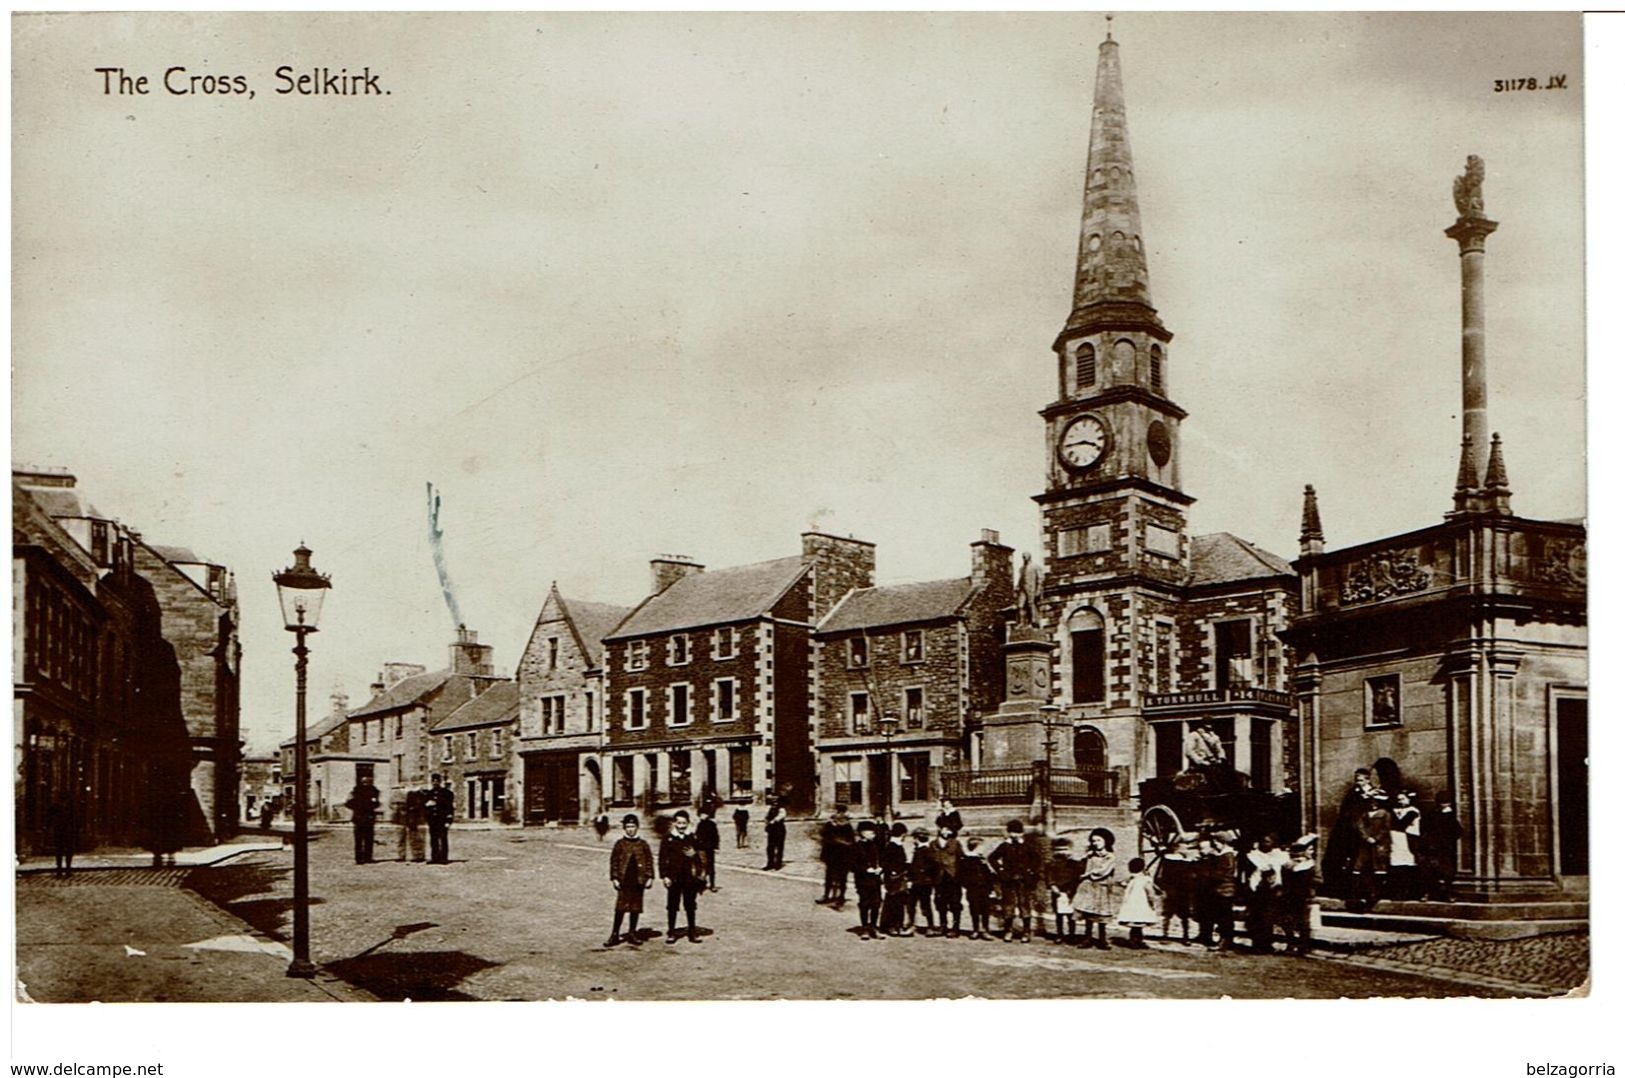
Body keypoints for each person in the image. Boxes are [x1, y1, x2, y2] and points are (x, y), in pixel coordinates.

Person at [607, 814, 656, 947]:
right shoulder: (620, 844)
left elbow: (649, 862)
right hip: (624, 880)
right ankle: (615, 934)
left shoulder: (643, 844)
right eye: (628, 827)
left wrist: (650, 877)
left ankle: (632, 933)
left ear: (637, 827)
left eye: (633, 826)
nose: (630, 829)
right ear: (624, 828)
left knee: (635, 907)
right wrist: (615, 878)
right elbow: (614, 862)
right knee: (620, 908)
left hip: (638, 880)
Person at [659, 810, 705, 944]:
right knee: (672, 905)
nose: (681, 826)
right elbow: (662, 859)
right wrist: (665, 876)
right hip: (673, 877)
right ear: (674, 823)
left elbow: (700, 857)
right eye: (679, 823)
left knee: (690, 904)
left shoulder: (692, 837)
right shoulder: (668, 838)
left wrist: (694, 853)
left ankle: (692, 932)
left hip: (689, 877)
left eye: (684, 823)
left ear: (688, 823)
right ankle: (671, 932)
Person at [990, 819, 1038, 942]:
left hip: (1023, 881)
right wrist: (1000, 871)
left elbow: (1037, 860)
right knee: (1008, 906)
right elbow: (992, 858)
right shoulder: (1005, 846)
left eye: (1017, 832)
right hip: (1008, 880)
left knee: (1024, 905)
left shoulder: (1027, 846)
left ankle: (1026, 932)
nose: (1014, 835)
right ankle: (1008, 931)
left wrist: (1030, 872)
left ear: (1021, 833)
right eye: (1012, 832)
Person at [1243, 834, 1290, 953]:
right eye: (1263, 842)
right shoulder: (1253, 856)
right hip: (1257, 890)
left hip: (1274, 890)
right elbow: (1248, 874)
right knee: (1256, 918)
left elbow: (1286, 873)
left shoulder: (1280, 856)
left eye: (1268, 842)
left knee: (1268, 919)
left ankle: (1266, 944)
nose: (1265, 844)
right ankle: (1257, 944)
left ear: (1273, 843)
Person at [1074, 828, 1118, 949]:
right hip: (1089, 888)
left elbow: (1103, 871)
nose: (1095, 843)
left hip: (1102, 887)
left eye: (1098, 840)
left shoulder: (1110, 857)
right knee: (1089, 913)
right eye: (1093, 841)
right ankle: (1087, 938)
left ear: (1106, 842)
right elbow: (1081, 866)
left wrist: (1088, 874)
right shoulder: (1091, 856)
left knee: (1101, 914)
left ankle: (1102, 939)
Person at [1349, 794, 1393, 912]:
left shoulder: (1384, 814)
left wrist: (1376, 838)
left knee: (1378, 866)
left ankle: (1376, 894)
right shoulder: (1364, 814)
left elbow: (1386, 829)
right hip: (1366, 844)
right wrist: (1366, 837)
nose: (1373, 805)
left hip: (1379, 845)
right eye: (1371, 802)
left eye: (1375, 803)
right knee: (1360, 866)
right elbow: (1360, 826)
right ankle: (1360, 895)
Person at [1200, 832, 1239, 952]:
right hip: (1222, 889)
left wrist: (1206, 872)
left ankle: (1225, 942)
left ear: (1222, 842)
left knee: (1224, 917)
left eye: (1216, 842)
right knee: (1223, 916)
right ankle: (1226, 941)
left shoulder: (1227, 856)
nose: (1214, 844)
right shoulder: (1224, 855)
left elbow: (1220, 874)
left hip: (1223, 889)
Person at [1280, 835, 1318, 956]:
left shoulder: (1312, 866)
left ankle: (1304, 946)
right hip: (1289, 896)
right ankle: (1290, 943)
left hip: (1305, 896)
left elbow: (1319, 880)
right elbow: (1284, 881)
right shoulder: (1287, 866)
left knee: (1304, 922)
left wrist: (1310, 884)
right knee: (1288, 921)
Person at [1421, 796, 1463, 901]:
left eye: (1446, 803)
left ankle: (1448, 894)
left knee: (1447, 872)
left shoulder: (1450, 816)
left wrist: (1448, 840)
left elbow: (1458, 831)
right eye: (1442, 803)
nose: (1444, 805)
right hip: (1432, 847)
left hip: (1445, 848)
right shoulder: (1432, 814)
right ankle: (1429, 893)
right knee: (1430, 871)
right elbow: (1424, 828)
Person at [927, 825, 964, 938]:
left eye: (949, 830)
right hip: (939, 877)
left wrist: (959, 875)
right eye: (945, 829)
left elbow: (961, 859)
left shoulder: (955, 843)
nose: (947, 832)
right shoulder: (933, 844)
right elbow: (930, 861)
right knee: (940, 902)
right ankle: (943, 925)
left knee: (955, 903)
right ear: (940, 829)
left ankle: (955, 927)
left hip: (953, 877)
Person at [1158, 836, 1196, 944]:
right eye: (1185, 846)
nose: (1187, 848)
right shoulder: (1173, 860)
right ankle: (1183, 936)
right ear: (1177, 848)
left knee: (1172, 914)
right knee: (1177, 914)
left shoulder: (1168, 860)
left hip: (1178, 891)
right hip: (1178, 891)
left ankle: (1167, 935)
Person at [851, 820, 885, 940]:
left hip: (875, 879)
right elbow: (853, 865)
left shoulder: (874, 845)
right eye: (871, 832)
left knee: (876, 903)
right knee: (865, 903)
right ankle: (865, 927)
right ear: (863, 833)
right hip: (862, 880)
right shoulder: (855, 847)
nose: (873, 834)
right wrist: (866, 869)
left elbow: (880, 859)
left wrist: (880, 868)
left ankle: (874, 927)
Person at [959, 837, 997, 941]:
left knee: (985, 909)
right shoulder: (966, 860)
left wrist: (991, 887)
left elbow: (988, 875)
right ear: (976, 847)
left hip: (984, 888)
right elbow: (962, 875)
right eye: (981, 847)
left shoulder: (982, 860)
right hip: (973, 889)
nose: (983, 849)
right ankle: (975, 929)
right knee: (974, 909)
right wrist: (968, 885)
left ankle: (985, 929)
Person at [818, 803, 855, 907]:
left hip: (843, 854)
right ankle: (826, 895)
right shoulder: (829, 824)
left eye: (836, 811)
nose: (834, 813)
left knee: (842, 876)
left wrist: (841, 842)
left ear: (841, 812)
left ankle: (841, 897)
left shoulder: (847, 825)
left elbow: (851, 840)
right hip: (831, 853)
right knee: (829, 875)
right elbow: (824, 836)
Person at [1117, 856, 1157, 949]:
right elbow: (1150, 893)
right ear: (1143, 868)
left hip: (1132, 905)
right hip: (1141, 906)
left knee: (1135, 926)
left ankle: (1135, 940)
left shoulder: (1132, 880)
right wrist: (1152, 903)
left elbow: (1123, 884)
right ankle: (1135, 941)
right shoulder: (1145, 880)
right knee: (1138, 926)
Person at [880, 822, 913, 936]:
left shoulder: (895, 845)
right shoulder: (892, 846)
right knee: (894, 901)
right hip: (893, 878)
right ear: (902, 834)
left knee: (896, 901)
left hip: (897, 877)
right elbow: (886, 862)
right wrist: (894, 871)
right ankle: (891, 925)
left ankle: (894, 924)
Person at [1388, 791, 1422, 900]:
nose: (1400, 801)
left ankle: (1409, 892)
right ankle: (1397, 892)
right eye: (1399, 799)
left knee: (1408, 865)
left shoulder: (1413, 811)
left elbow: (1400, 824)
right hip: (1396, 840)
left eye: (1403, 799)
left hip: (1409, 839)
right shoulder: (1396, 810)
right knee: (1397, 866)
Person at [1047, 836, 1081, 945]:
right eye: (1058, 850)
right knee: (1059, 915)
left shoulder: (1075, 864)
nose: (1062, 852)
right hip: (1057, 892)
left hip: (1070, 892)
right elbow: (1048, 876)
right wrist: (1052, 885)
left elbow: (1077, 877)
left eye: (1065, 849)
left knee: (1071, 915)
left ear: (1070, 850)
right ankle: (1059, 934)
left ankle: (1072, 934)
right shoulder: (1051, 864)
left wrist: (1072, 889)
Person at [907, 827, 938, 936]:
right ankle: (912, 924)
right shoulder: (918, 850)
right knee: (912, 904)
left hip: (923, 883)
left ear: (916, 838)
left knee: (924, 905)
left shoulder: (926, 851)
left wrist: (922, 873)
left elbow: (932, 866)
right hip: (917, 882)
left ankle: (929, 926)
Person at [345, 775, 382, 864]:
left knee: (363, 839)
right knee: (364, 839)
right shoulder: (358, 791)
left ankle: (363, 858)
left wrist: (357, 807)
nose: (366, 783)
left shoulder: (371, 791)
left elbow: (348, 803)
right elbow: (376, 803)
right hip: (364, 817)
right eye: (365, 781)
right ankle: (364, 858)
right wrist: (360, 807)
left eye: (367, 781)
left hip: (363, 817)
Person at [426, 774, 454, 864]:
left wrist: (448, 820)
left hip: (442, 819)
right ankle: (435, 857)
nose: (435, 783)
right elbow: (425, 806)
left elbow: (449, 807)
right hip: (432, 820)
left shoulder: (447, 793)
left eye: (437, 781)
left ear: (440, 782)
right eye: (433, 781)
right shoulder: (429, 793)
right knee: (433, 839)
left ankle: (443, 858)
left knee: (443, 839)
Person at [47, 794, 76, 878]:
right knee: (61, 851)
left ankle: (65, 869)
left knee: (64, 851)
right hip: (61, 832)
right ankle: (62, 870)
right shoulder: (56, 808)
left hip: (65, 832)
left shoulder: (70, 808)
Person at [695, 805, 721, 892]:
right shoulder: (699, 825)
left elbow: (716, 836)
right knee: (702, 865)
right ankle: (701, 883)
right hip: (701, 848)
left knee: (711, 866)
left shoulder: (712, 824)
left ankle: (712, 884)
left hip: (710, 848)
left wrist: (716, 846)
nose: (703, 816)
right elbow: (697, 837)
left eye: (705, 814)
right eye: (701, 814)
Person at [397, 786, 427, 862]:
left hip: (414, 818)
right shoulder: (399, 792)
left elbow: (421, 805)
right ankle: (401, 855)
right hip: (401, 818)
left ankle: (418, 855)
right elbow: (393, 804)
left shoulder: (417, 793)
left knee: (415, 837)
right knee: (401, 837)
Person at [763, 796, 788, 870]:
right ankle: (770, 863)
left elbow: (780, 817)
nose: (774, 803)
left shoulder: (782, 809)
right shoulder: (770, 809)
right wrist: (766, 821)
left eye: (776, 801)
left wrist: (772, 821)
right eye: (773, 801)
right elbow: (766, 817)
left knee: (779, 847)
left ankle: (778, 864)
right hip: (772, 830)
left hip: (779, 829)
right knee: (770, 847)